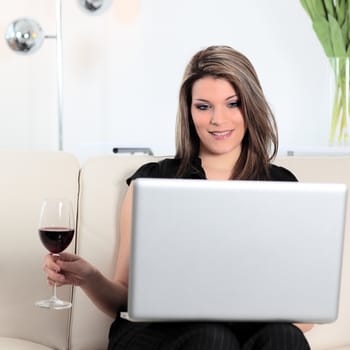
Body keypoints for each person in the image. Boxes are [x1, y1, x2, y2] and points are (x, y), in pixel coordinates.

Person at [44, 45, 313, 349]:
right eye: (203, 106)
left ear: (250, 106)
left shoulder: (281, 185)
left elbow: (304, 316)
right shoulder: (155, 180)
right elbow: (124, 296)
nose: (217, 120)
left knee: (285, 336)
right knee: (212, 337)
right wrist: (88, 277)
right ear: (188, 111)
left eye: (232, 104)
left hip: (245, 332)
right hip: (158, 334)